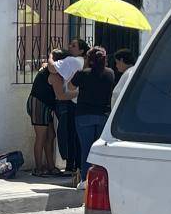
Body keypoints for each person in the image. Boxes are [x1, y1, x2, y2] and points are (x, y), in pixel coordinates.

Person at [70, 46, 115, 190]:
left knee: (86, 148)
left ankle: (85, 179)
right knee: (101, 149)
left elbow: (71, 86)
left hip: (84, 114)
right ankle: (102, 180)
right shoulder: (110, 73)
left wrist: (83, 67)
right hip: (103, 114)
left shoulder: (83, 74)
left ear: (88, 60)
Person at [47, 38, 89, 176]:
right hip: (79, 100)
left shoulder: (72, 61)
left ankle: (70, 165)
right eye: (70, 44)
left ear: (81, 50)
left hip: (69, 99)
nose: (70, 47)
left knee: (68, 133)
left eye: (74, 45)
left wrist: (51, 56)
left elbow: (52, 67)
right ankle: (77, 165)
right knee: (76, 134)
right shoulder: (82, 62)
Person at [27, 49, 70, 177]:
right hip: (39, 104)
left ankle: (51, 166)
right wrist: (80, 93)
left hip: (45, 105)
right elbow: (61, 95)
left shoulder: (50, 69)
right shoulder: (54, 74)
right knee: (41, 137)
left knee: (51, 135)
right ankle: (38, 168)